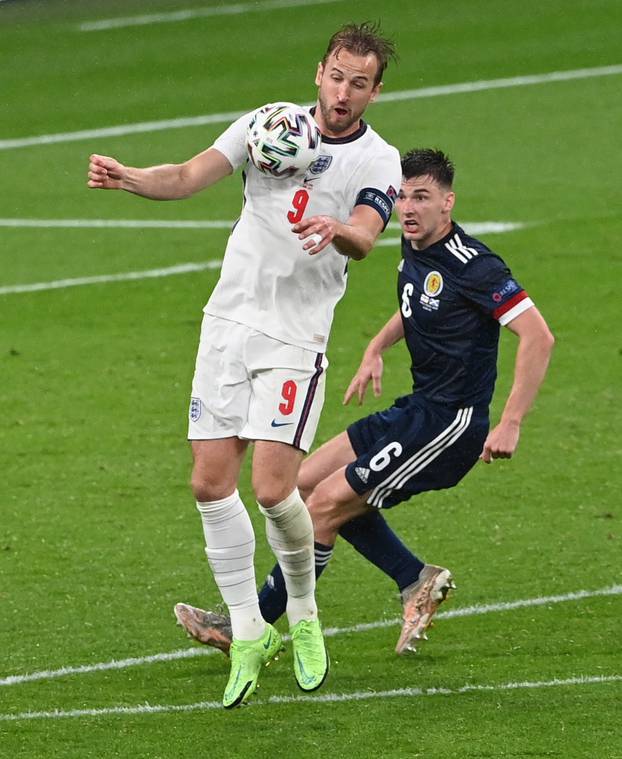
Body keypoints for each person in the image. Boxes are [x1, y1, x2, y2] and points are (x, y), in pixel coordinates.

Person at [87, 23, 401, 708]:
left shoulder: (379, 160)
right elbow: (189, 175)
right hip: (227, 324)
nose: (343, 93)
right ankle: (251, 630)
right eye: (336, 76)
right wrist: (129, 178)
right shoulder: (268, 125)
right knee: (207, 483)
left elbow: (370, 235)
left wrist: (338, 229)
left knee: (270, 488)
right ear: (319, 72)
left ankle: (306, 615)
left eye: (359, 83)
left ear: (376, 91)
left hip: (294, 337)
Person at [175, 148, 555, 658]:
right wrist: (377, 347)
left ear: (448, 203)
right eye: (403, 197)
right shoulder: (419, 250)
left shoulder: (475, 265)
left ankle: (253, 626)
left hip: (452, 423)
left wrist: (510, 422)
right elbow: (418, 306)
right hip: (418, 407)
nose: (409, 208)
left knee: (325, 508)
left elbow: (538, 336)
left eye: (423, 197)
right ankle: (413, 577)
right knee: (302, 483)